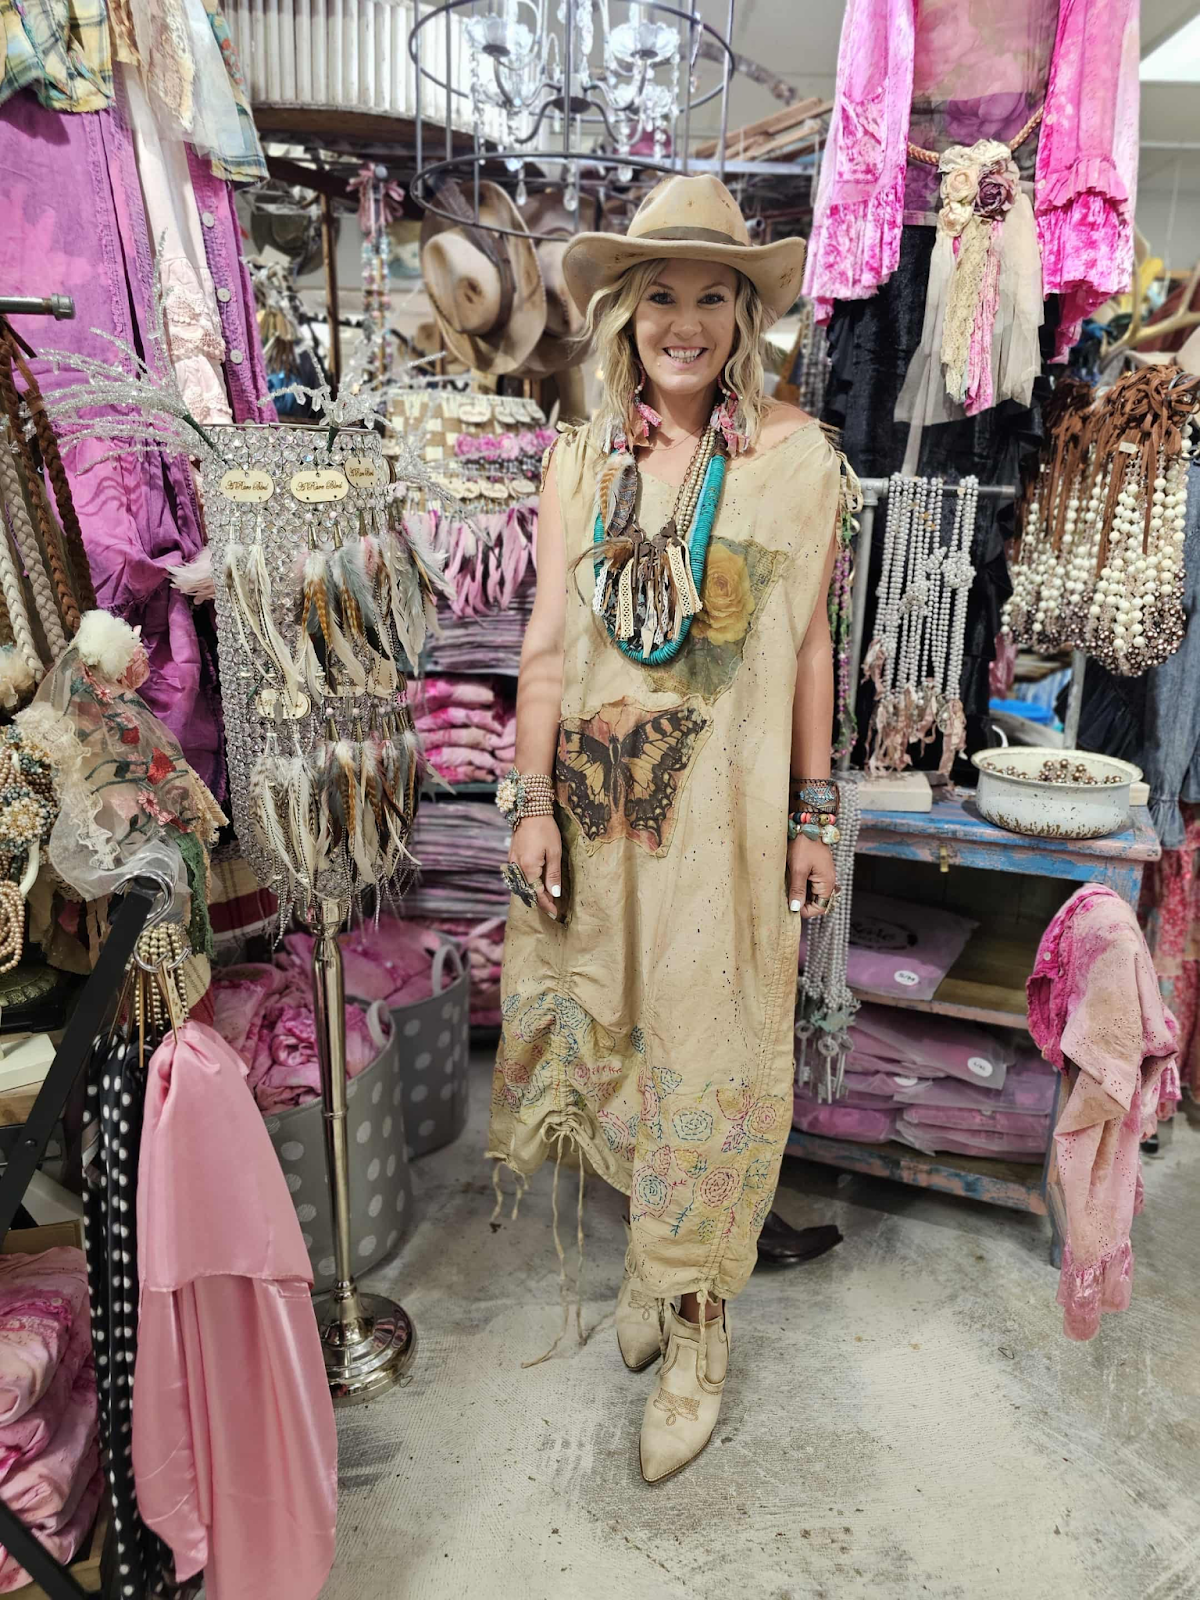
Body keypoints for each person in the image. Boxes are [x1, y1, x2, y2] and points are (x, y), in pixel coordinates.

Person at [487, 174, 847, 1483]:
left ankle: (698, 1323)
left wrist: (815, 814)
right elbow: (545, 643)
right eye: (660, 298)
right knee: (622, 1033)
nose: (684, 324)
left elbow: (810, 646)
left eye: (712, 297)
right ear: (625, 314)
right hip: (604, 824)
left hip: (728, 836)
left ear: (745, 316)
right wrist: (528, 800)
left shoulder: (799, 463)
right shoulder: (580, 461)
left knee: (713, 1051)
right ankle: (653, 1260)